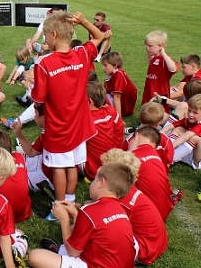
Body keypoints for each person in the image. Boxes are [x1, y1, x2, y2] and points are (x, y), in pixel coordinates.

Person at [24, 162, 135, 268]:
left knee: (35, 257)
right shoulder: (121, 209)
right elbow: (87, 233)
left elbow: (73, 251)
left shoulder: (90, 210)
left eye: (94, 179)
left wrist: (64, 219)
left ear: (102, 183)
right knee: (69, 239)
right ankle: (58, 258)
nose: (91, 183)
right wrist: (77, 215)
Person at [31, 11, 104, 207]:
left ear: (54, 34)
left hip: (58, 127)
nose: (45, 40)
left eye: (46, 35)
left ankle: (60, 205)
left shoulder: (44, 63)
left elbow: (38, 97)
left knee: (58, 168)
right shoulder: (81, 53)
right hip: (79, 124)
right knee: (72, 164)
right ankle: (70, 200)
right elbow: (99, 36)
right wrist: (84, 21)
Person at [102, 148, 168, 266]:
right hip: (154, 242)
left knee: (99, 236)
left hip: (145, 248)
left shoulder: (121, 201)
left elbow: (103, 222)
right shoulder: (127, 191)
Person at [162, 93, 201, 170]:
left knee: (195, 138)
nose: (190, 114)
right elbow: (171, 126)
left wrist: (170, 148)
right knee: (179, 129)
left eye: (195, 112)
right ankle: (164, 151)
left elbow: (186, 136)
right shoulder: (191, 119)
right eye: (189, 110)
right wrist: (159, 135)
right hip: (194, 154)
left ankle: (167, 159)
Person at [128, 126, 175, 220]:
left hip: (144, 215)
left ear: (136, 136)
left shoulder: (133, 157)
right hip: (162, 211)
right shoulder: (156, 156)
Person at [81, 82, 124, 181]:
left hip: (92, 170)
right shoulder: (111, 111)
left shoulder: (84, 119)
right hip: (112, 162)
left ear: (89, 101)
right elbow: (119, 132)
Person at [141, 30, 178, 111]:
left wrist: (163, 53)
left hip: (159, 93)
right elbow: (151, 62)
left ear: (160, 46)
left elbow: (173, 69)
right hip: (149, 91)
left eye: (150, 46)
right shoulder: (154, 58)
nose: (147, 48)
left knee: (157, 113)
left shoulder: (165, 60)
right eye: (146, 46)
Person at [101, 52, 137, 117]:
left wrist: (119, 118)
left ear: (115, 65)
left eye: (105, 65)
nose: (103, 68)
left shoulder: (118, 73)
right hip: (119, 102)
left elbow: (117, 96)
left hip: (124, 105)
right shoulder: (111, 75)